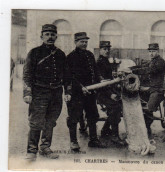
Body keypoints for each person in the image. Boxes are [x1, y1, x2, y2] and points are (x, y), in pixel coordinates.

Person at [23, 24, 67, 160]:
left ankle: (45, 147)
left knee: (50, 121)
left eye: (52, 34)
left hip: (56, 93)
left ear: (56, 37)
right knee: (36, 121)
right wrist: (27, 93)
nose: (50, 37)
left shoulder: (60, 54)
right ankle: (31, 150)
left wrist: (68, 91)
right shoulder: (34, 52)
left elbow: (66, 75)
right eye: (47, 34)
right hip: (39, 92)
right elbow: (27, 74)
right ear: (41, 36)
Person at [65, 32, 106, 152]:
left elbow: (95, 71)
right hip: (77, 93)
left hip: (90, 92)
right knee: (74, 117)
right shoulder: (71, 57)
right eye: (82, 41)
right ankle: (73, 142)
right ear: (75, 42)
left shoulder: (90, 55)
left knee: (92, 116)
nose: (84, 44)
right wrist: (80, 87)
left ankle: (93, 140)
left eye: (86, 42)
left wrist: (101, 79)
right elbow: (70, 76)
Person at [131, 43, 165, 138]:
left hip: (158, 90)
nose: (151, 53)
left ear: (158, 51)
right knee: (136, 101)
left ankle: (147, 128)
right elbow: (143, 67)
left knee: (149, 107)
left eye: (153, 51)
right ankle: (140, 127)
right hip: (150, 89)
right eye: (150, 51)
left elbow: (148, 70)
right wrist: (131, 68)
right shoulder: (152, 61)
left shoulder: (160, 62)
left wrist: (132, 71)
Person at [96, 41, 125, 146]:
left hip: (107, 90)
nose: (107, 51)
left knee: (119, 104)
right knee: (115, 107)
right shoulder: (99, 62)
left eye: (108, 49)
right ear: (100, 50)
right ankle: (115, 136)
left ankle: (105, 129)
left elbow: (109, 79)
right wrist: (110, 94)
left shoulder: (106, 61)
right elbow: (101, 83)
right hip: (101, 93)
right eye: (104, 49)